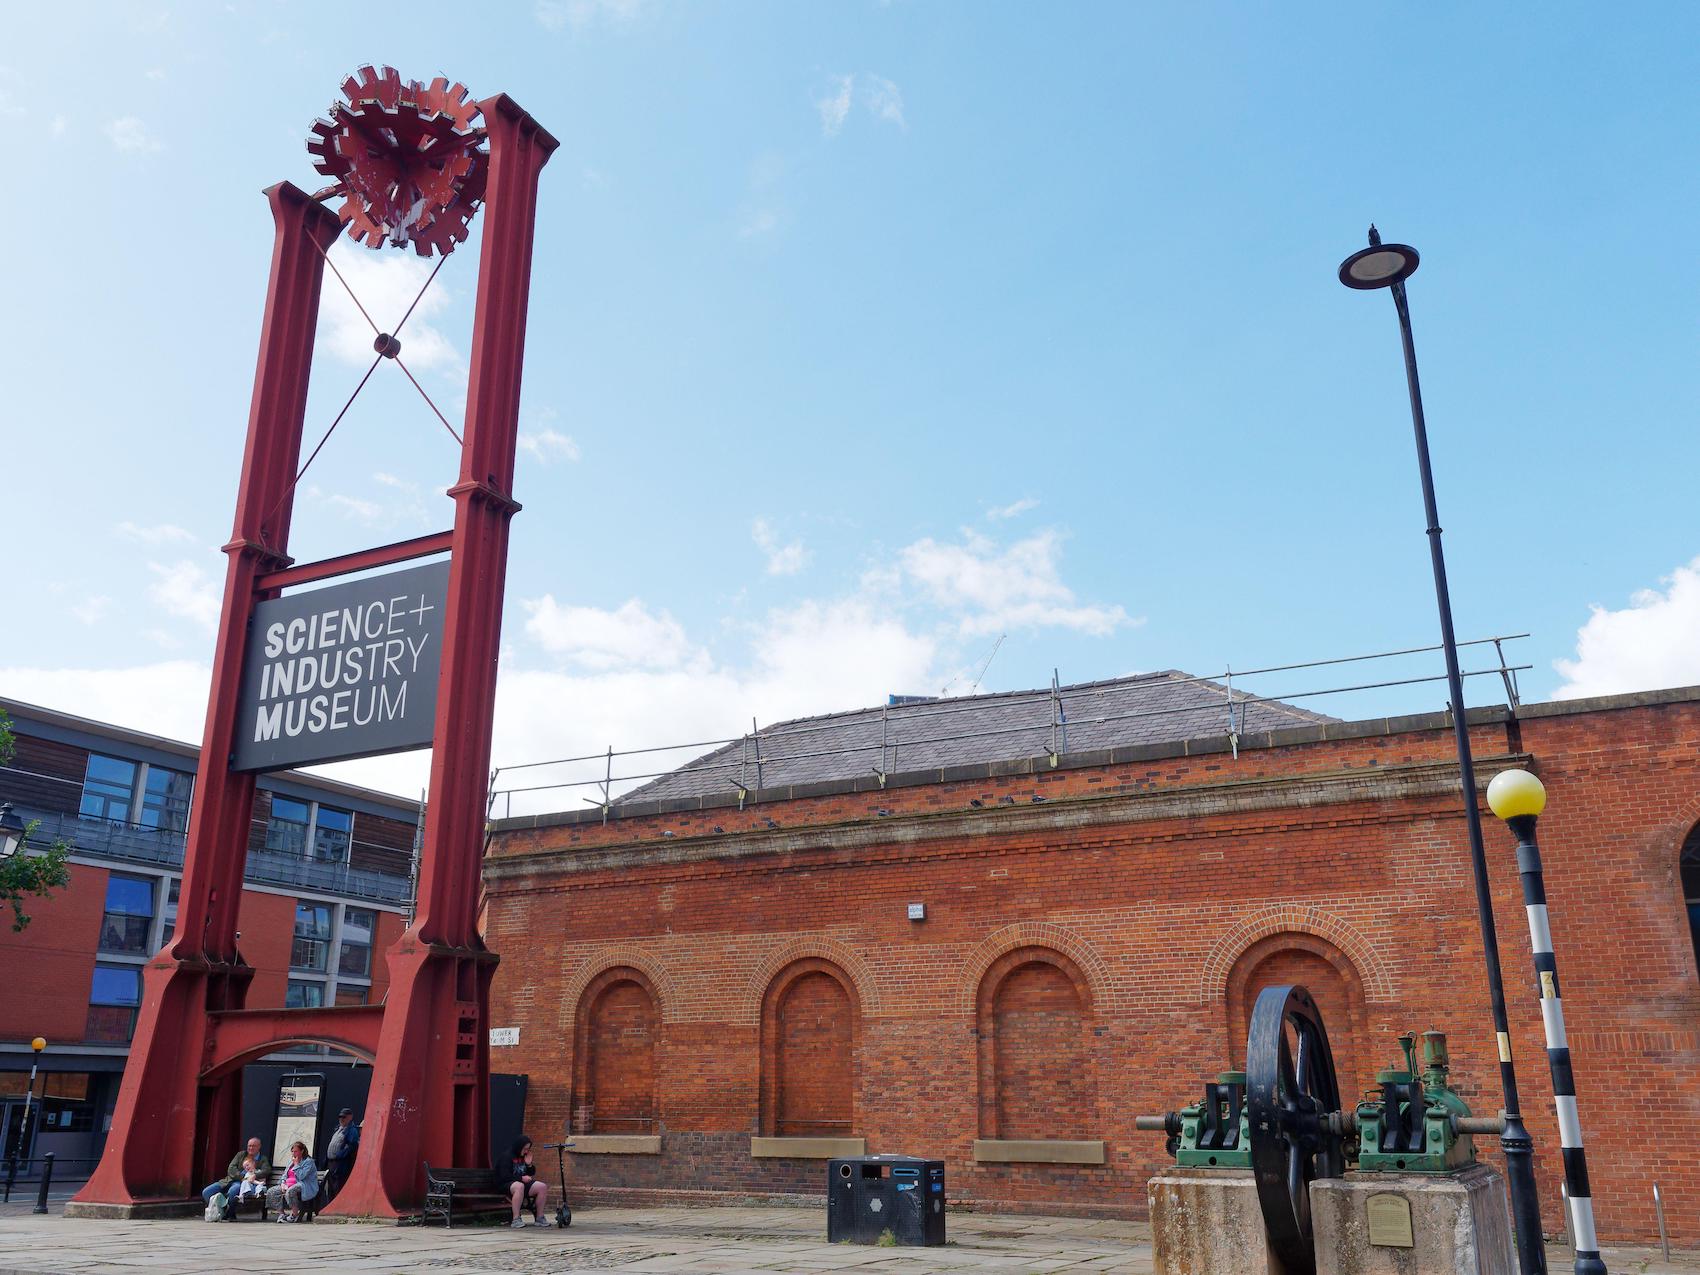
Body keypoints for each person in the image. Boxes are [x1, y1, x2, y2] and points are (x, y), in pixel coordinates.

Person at [201, 1137, 270, 1217]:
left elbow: (266, 1170)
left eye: (253, 1146)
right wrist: (243, 1176)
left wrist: (255, 1175)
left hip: (243, 1184)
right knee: (206, 1192)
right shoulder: (241, 1155)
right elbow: (231, 1168)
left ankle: (229, 1214)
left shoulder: (263, 1159)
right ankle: (221, 1208)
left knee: (233, 1191)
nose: (250, 1148)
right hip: (229, 1180)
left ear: (259, 1146)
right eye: (249, 1146)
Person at [265, 1140, 319, 1222]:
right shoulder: (291, 1161)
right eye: (292, 1151)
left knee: (291, 1191)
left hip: (304, 1185)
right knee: (271, 1191)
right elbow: (285, 1174)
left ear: (302, 1151)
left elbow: (302, 1176)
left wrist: (297, 1164)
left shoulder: (308, 1162)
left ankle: (294, 1215)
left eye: (296, 1151)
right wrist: (283, 1183)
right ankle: (282, 1214)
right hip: (288, 1184)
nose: (293, 1153)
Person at [505, 1135, 548, 1228]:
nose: (526, 1151)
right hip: (507, 1184)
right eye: (525, 1149)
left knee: (542, 1187)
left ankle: (539, 1217)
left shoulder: (524, 1156)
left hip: (522, 1184)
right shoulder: (507, 1157)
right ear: (519, 1147)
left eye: (528, 1149)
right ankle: (516, 1219)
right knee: (519, 1186)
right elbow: (504, 1176)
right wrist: (521, 1178)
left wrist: (529, 1164)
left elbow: (531, 1173)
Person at [322, 1107, 361, 1201]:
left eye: (344, 1117)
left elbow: (352, 1146)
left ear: (350, 1117)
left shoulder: (351, 1130)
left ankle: (336, 1203)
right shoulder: (337, 1129)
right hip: (331, 1163)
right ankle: (330, 1205)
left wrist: (340, 1155)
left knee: (338, 1186)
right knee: (330, 1187)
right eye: (340, 1117)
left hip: (340, 1164)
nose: (341, 1119)